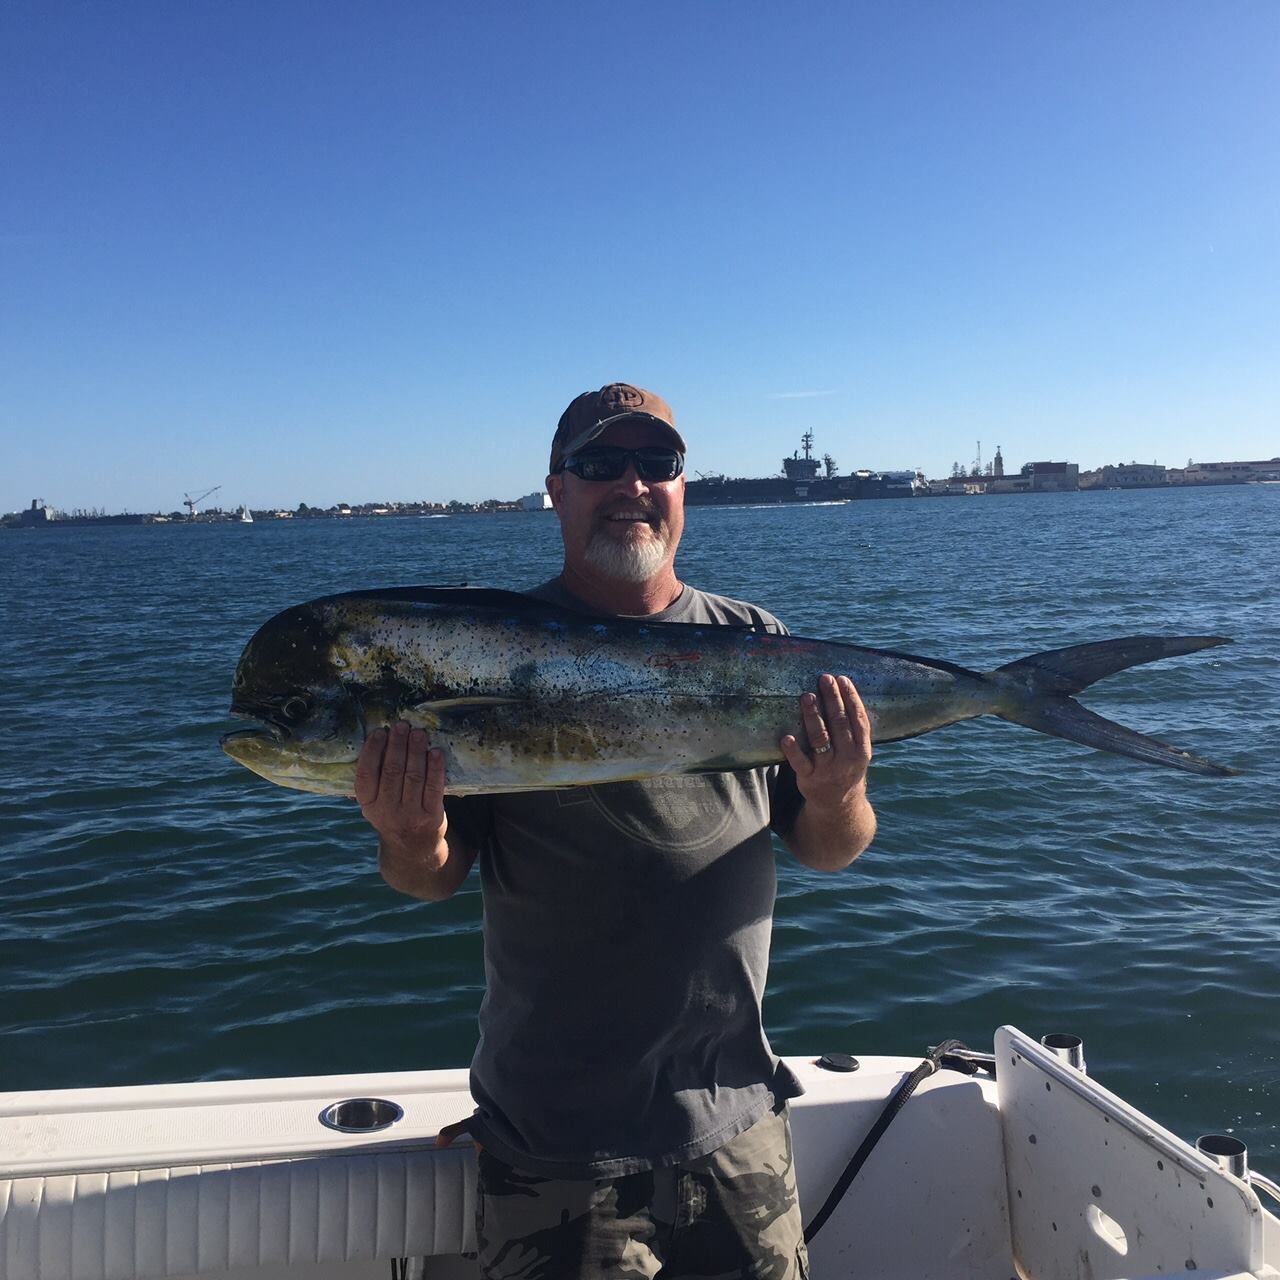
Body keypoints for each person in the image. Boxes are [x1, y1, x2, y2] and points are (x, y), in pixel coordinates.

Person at [355, 383, 876, 1279]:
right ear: (556, 490)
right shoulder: (489, 653)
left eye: (656, 464)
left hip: (739, 1123)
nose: (631, 484)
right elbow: (429, 876)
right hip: (557, 1148)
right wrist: (407, 833)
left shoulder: (756, 641)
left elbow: (831, 847)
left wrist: (838, 795)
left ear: (683, 487)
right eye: (600, 465)